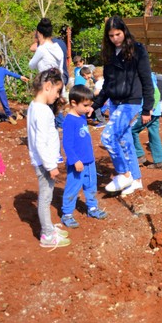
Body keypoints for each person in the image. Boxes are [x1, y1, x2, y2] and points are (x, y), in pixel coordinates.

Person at [92, 16, 154, 196]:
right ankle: (136, 180)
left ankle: (124, 173)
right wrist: (96, 105)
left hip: (131, 103)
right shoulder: (109, 53)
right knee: (125, 142)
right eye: (111, 35)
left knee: (108, 137)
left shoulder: (138, 50)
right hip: (114, 102)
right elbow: (107, 84)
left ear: (124, 31)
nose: (115, 38)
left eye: (118, 34)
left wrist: (147, 107)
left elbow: (146, 79)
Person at [27, 68, 71, 248]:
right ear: (47, 86)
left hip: (42, 161)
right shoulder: (42, 111)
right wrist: (51, 165)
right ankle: (46, 235)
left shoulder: (35, 107)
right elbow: (40, 143)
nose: (58, 95)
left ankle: (49, 227)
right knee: (45, 199)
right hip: (44, 163)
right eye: (57, 90)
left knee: (47, 196)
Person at [60, 85, 107, 228]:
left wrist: (89, 159)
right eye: (85, 105)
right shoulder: (69, 121)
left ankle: (92, 208)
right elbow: (67, 144)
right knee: (73, 187)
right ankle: (67, 213)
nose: (88, 108)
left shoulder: (81, 117)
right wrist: (75, 160)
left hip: (89, 161)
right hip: (77, 164)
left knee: (91, 185)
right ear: (74, 103)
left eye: (90, 105)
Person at [132, 72, 162, 169]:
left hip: (147, 111)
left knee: (131, 131)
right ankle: (159, 161)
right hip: (155, 112)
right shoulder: (149, 74)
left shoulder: (145, 75)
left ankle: (139, 155)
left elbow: (156, 94)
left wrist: (149, 110)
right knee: (154, 135)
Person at [0, 53, 28, 124]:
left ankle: (9, 117)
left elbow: (12, 74)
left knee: (5, 104)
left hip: (1, 90)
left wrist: (21, 77)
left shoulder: (2, 70)